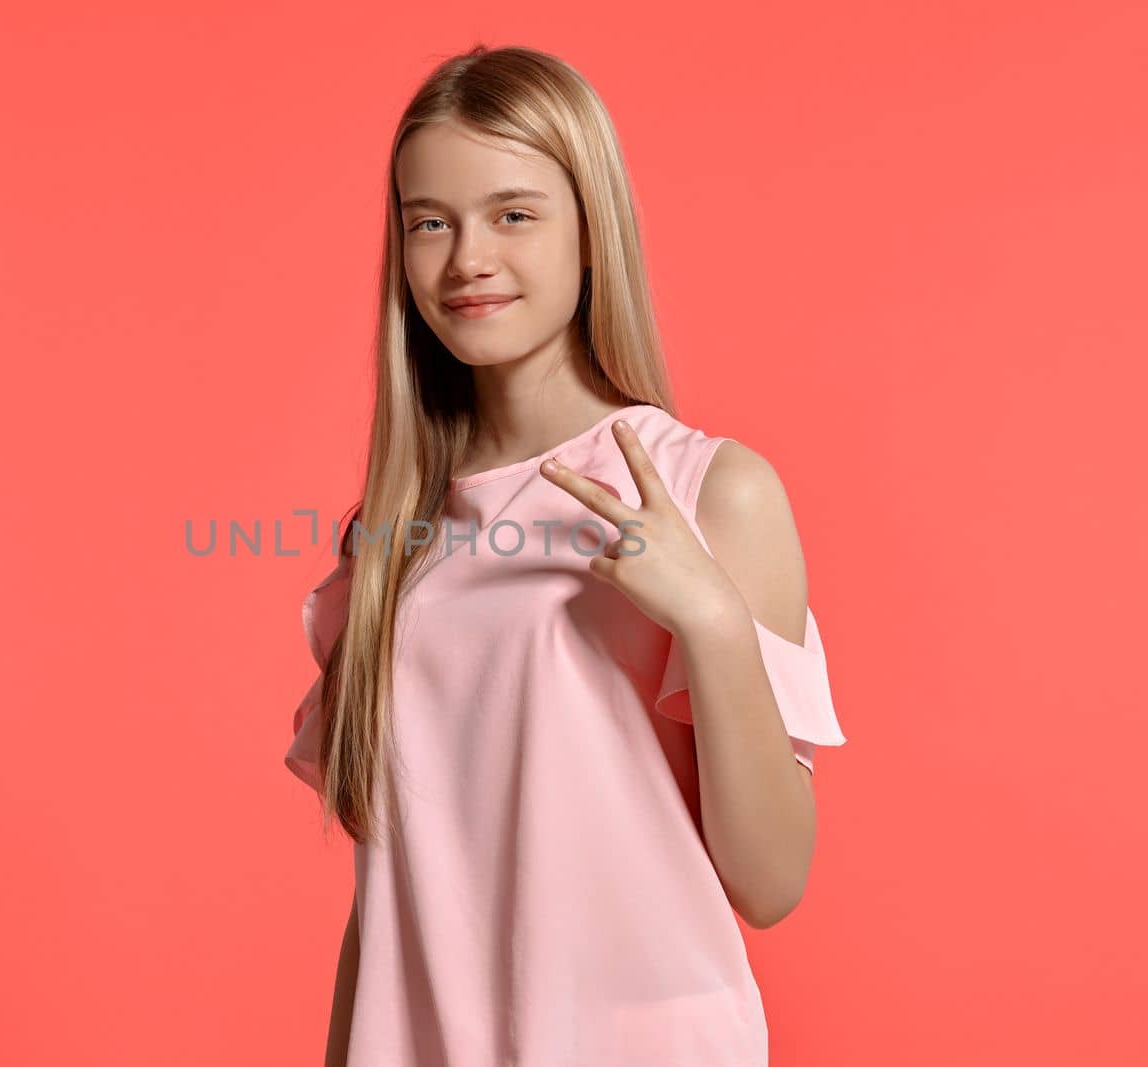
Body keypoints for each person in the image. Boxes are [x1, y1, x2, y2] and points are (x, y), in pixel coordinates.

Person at [282, 44, 849, 1067]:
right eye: (429, 222)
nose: (466, 260)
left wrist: (711, 621)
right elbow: (391, 906)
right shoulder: (389, 539)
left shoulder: (712, 490)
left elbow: (771, 882)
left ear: (593, 233)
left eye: (513, 213)